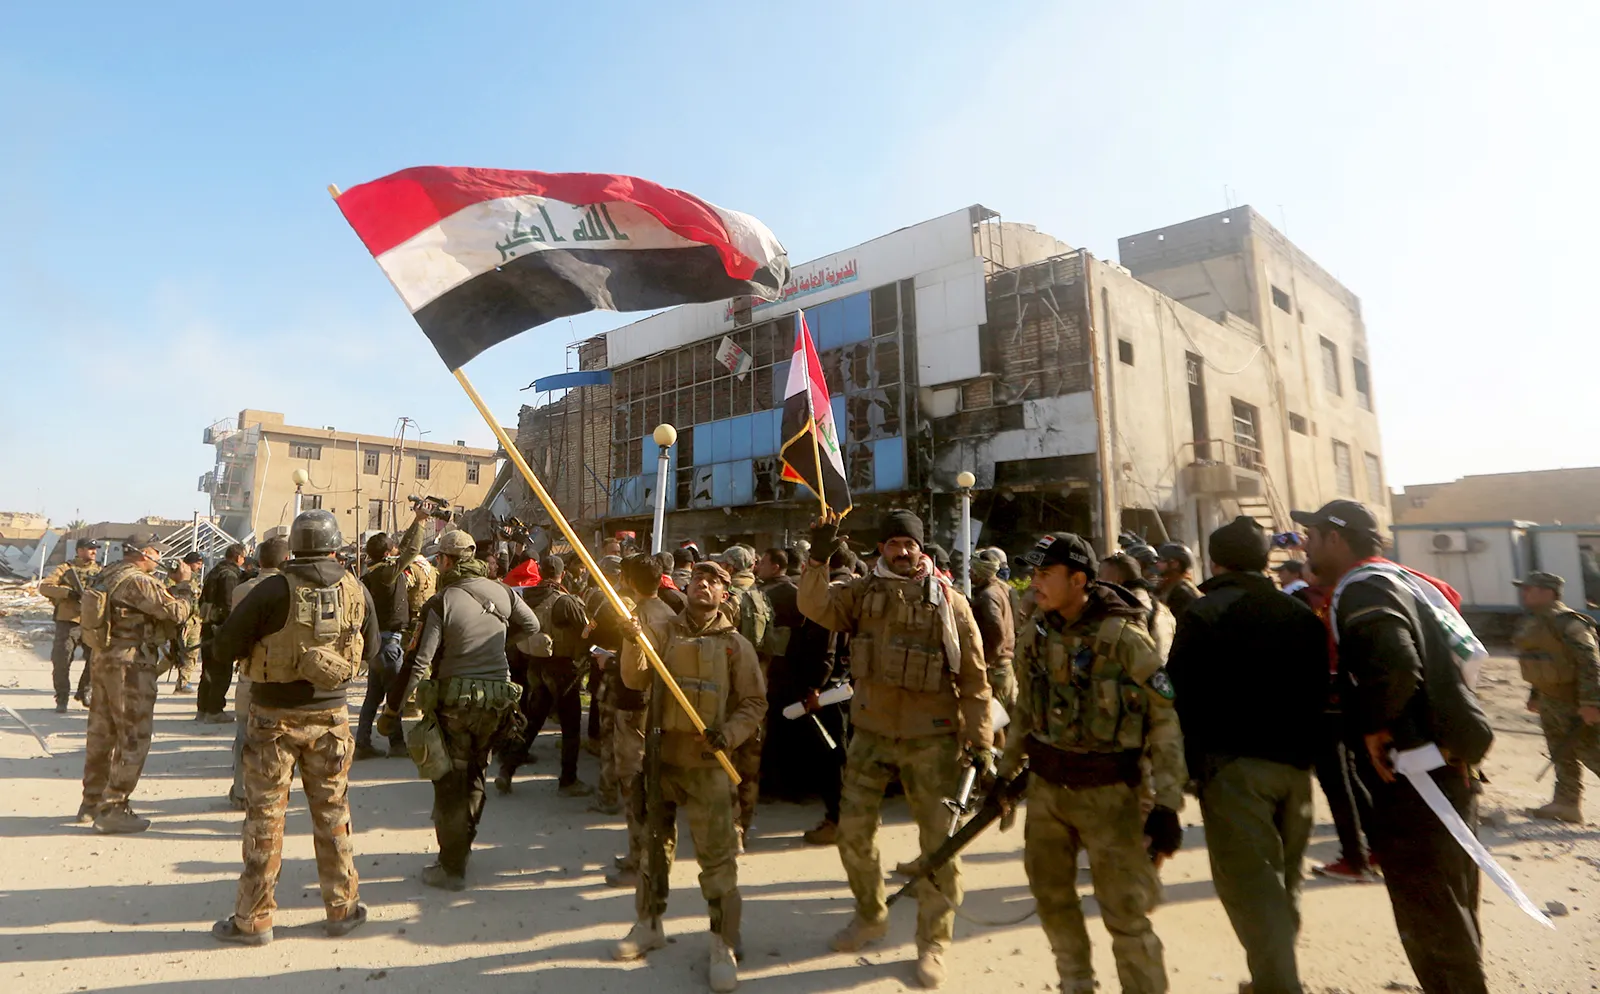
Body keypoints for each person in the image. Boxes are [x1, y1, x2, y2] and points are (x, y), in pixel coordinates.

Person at [1296, 499, 1490, 994]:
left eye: (1312, 536)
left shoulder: (1364, 588)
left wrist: (1374, 724)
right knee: (1450, 904)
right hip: (1446, 765)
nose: (1304, 546)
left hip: (1416, 775)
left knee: (1431, 911)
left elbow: (1397, 665)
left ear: (1336, 539)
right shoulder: (1403, 580)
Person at [799, 509, 992, 990]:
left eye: (909, 543)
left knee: (939, 848)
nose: (902, 551)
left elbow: (974, 677)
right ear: (881, 549)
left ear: (921, 548)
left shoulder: (950, 602)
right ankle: (870, 916)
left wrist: (982, 740)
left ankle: (933, 943)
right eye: (893, 544)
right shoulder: (863, 593)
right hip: (871, 734)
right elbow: (814, 605)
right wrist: (818, 559)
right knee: (853, 834)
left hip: (933, 738)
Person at [997, 532, 1185, 994]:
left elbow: (1165, 721)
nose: (1034, 583)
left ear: (1078, 579)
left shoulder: (1124, 638)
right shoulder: (1036, 632)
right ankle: (1075, 982)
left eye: (1045, 574)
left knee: (1126, 913)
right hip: (1047, 792)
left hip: (1111, 795)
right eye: (1033, 573)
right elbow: (1025, 712)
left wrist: (1167, 805)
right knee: (1051, 897)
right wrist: (1004, 774)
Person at [1166, 517, 1327, 994]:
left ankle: (1279, 986)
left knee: (1251, 889)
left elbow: (1176, 690)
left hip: (1235, 771)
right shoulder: (1300, 612)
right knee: (1285, 883)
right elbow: (1321, 690)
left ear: (1215, 561)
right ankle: (1271, 978)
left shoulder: (1205, 612)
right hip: (1295, 770)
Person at [210, 510, 376, 943]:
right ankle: (342, 909)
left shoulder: (271, 589)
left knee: (265, 819)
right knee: (334, 813)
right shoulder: (356, 588)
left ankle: (253, 920)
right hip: (332, 719)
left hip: (272, 719)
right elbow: (372, 650)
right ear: (335, 546)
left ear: (295, 547)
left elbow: (225, 646)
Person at [612, 561, 766, 994]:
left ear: (724, 595)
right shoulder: (662, 633)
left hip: (709, 766)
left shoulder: (735, 646)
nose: (704, 584)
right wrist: (631, 642)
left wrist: (729, 735)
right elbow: (634, 678)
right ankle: (648, 924)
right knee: (652, 850)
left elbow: (754, 703)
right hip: (662, 761)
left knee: (717, 858)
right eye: (699, 578)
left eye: (714, 581)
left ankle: (723, 942)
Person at [378, 528, 536, 891]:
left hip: (456, 705)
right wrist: (497, 641)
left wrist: (393, 712)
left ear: (447, 561)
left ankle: (451, 867)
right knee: (477, 773)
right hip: (497, 702)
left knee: (449, 782)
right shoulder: (503, 591)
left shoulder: (441, 601)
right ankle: (462, 847)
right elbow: (532, 624)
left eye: (439, 558)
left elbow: (419, 662)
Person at [77, 542, 195, 831]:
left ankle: (91, 802)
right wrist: (184, 585)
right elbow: (177, 612)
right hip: (130, 665)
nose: (160, 558)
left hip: (104, 658)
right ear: (144, 553)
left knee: (102, 734)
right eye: (157, 553)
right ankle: (114, 808)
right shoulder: (139, 581)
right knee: (134, 736)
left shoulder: (109, 573)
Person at [604, 553, 680, 889]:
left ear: (629, 580)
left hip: (636, 709)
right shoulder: (670, 613)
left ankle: (641, 861)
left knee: (635, 787)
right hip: (660, 708)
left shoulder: (634, 618)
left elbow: (633, 677)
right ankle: (642, 856)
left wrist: (624, 646)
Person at [1512, 570, 1600, 822]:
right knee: (1561, 753)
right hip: (1550, 699)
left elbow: (1590, 663)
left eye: (1529, 589)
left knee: (1591, 752)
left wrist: (1591, 703)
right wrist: (1535, 694)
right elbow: (1540, 660)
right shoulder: (1534, 622)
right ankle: (1566, 803)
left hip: (1575, 700)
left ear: (1548, 592)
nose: (1524, 593)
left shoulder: (1570, 623)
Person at [506, 554, 593, 798]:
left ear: (541, 573)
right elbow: (584, 631)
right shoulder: (564, 601)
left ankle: (507, 769)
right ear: (562, 574)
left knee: (533, 721)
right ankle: (568, 780)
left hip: (535, 666)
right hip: (562, 669)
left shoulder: (526, 597)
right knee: (571, 726)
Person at [225, 537, 289, 809]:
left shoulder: (242, 590)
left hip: (249, 670)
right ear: (287, 560)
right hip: (283, 674)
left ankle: (241, 791)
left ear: (259, 560)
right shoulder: (292, 589)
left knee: (244, 733)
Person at [720, 544, 773, 848]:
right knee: (751, 766)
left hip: (730, 691)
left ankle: (733, 829)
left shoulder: (731, 600)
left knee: (726, 762)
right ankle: (746, 826)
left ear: (729, 567)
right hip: (758, 688)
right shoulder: (762, 597)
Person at [355, 531, 411, 759]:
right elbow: (410, 551)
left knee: (373, 697)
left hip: (378, 641)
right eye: (393, 547)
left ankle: (362, 743)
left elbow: (404, 550)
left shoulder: (373, 573)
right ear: (387, 554)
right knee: (394, 696)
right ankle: (397, 744)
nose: (397, 549)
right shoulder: (387, 573)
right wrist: (419, 522)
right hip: (389, 643)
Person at [39, 539, 101, 712]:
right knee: (62, 660)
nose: (94, 552)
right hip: (69, 621)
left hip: (92, 622)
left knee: (96, 660)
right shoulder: (65, 569)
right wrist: (68, 593)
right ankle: (62, 697)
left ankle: (85, 691)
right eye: (90, 548)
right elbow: (45, 587)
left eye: (95, 549)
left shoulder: (100, 571)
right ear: (79, 550)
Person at [196, 543, 247, 723]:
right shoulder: (229, 575)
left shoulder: (214, 572)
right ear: (238, 557)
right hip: (220, 629)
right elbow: (228, 605)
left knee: (208, 670)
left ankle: (203, 709)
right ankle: (214, 711)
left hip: (208, 627)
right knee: (221, 671)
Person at [1098, 551, 1177, 660]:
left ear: (1118, 578)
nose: (1098, 581)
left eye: (1100, 575)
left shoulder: (1126, 609)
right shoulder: (1160, 607)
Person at [970, 547, 1017, 713]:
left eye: (972, 569)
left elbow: (997, 633)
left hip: (996, 669)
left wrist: (987, 662)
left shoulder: (988, 596)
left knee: (994, 718)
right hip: (1004, 666)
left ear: (980, 572)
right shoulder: (1002, 589)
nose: (969, 572)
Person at [168, 551, 205, 694]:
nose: (199, 567)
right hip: (181, 620)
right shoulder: (175, 577)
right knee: (175, 654)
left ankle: (183, 683)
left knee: (192, 652)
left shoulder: (194, 579)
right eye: (198, 564)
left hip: (194, 620)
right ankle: (152, 675)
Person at [1154, 542, 1200, 621]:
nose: (1157, 564)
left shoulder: (1183, 592)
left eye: (1161, 560)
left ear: (1175, 564)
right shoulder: (1169, 585)